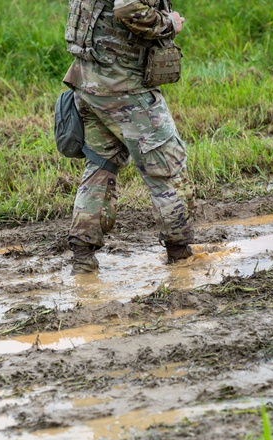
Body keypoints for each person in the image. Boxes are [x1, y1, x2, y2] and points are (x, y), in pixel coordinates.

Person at [63, 0, 194, 274]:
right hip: (125, 89)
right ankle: (181, 260)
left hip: (88, 83)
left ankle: (82, 259)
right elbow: (127, 8)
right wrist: (170, 23)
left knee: (101, 166)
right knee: (168, 170)